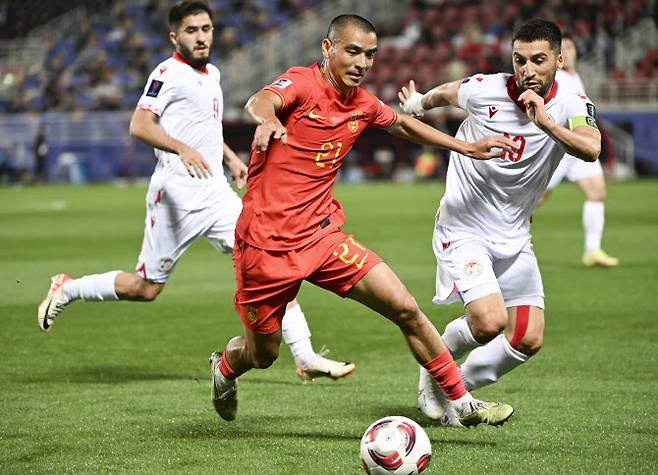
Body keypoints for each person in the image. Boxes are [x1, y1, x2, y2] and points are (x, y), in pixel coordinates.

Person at [209, 14, 518, 427]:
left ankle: (461, 402)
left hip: (322, 238)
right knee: (262, 355)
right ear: (327, 48)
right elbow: (260, 101)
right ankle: (226, 368)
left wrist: (465, 147)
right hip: (266, 248)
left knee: (405, 307)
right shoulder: (302, 83)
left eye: (370, 55)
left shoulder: (362, 103)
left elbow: (403, 124)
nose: (362, 62)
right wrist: (267, 120)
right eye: (352, 51)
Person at [36, 0, 355, 382]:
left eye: (206, 29)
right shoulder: (167, 73)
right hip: (176, 195)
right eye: (192, 30)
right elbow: (140, 125)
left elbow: (204, 129)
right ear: (175, 36)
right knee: (146, 288)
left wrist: (230, 158)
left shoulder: (213, 74)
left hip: (216, 192)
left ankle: (303, 356)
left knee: (272, 264)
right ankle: (69, 289)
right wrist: (180, 148)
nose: (201, 37)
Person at [399, 18, 602, 424]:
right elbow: (447, 93)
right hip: (464, 226)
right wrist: (418, 103)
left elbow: (592, 148)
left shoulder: (573, 103)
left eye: (539, 60)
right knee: (490, 321)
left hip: (514, 232)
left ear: (559, 61)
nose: (527, 69)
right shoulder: (485, 89)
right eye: (519, 59)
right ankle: (435, 368)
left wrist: (546, 123)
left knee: (528, 337)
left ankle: (454, 382)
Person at [539, 33, 618, 267]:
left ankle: (592, 251)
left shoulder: (574, 76)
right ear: (557, 55)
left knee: (597, 192)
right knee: (534, 199)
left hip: (579, 146)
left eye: (572, 47)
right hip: (558, 146)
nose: (569, 51)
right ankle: (503, 237)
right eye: (565, 48)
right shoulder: (556, 77)